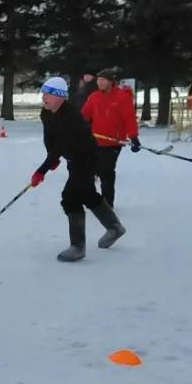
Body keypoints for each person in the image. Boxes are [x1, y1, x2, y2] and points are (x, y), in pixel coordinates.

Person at [32, 77, 127, 262]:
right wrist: (52, 158)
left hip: (87, 158)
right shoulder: (46, 113)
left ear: (59, 97)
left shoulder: (70, 117)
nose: (44, 97)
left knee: (70, 197)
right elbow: (50, 140)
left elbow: (61, 144)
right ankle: (115, 228)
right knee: (87, 194)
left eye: (48, 94)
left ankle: (78, 246)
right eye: (43, 93)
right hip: (73, 159)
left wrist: (41, 170)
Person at [80, 67, 140, 208]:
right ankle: (92, 199)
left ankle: (107, 203)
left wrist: (134, 137)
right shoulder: (94, 97)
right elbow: (84, 115)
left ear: (111, 81)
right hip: (95, 141)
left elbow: (129, 119)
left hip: (113, 143)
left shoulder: (122, 97)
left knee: (106, 172)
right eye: (98, 80)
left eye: (103, 80)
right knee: (89, 170)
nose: (99, 82)